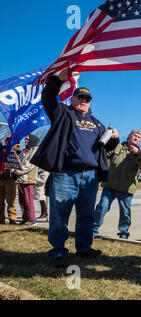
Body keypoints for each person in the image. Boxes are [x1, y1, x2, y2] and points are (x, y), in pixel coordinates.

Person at [30, 68, 119, 268]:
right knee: (60, 214)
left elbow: (108, 147)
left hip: (90, 176)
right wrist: (56, 80)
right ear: (73, 99)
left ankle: (84, 247)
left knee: (86, 215)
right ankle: (58, 251)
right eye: (80, 97)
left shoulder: (97, 124)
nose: (84, 101)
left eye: (87, 98)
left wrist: (115, 138)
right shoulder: (63, 114)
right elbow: (48, 97)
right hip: (65, 174)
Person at [93, 130, 141, 239]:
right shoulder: (117, 147)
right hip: (110, 185)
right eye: (134, 135)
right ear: (129, 136)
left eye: (138, 137)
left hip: (126, 188)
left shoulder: (139, 153)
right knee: (102, 206)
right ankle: (93, 230)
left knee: (125, 212)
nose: (136, 138)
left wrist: (137, 153)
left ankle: (123, 233)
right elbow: (104, 154)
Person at [12, 135, 40, 226]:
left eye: (27, 139)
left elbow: (28, 166)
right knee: (22, 201)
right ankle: (25, 219)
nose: (25, 141)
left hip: (28, 179)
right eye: (25, 139)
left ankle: (32, 219)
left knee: (28, 201)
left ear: (32, 140)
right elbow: (19, 162)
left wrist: (16, 172)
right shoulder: (25, 151)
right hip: (21, 179)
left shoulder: (35, 151)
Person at [0, 136, 18, 225]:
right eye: (8, 141)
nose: (9, 143)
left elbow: (20, 165)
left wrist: (14, 172)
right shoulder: (1, 150)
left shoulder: (16, 152)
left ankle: (12, 219)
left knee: (11, 201)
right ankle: (1, 219)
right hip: (0, 178)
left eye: (11, 141)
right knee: (0, 201)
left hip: (10, 179)